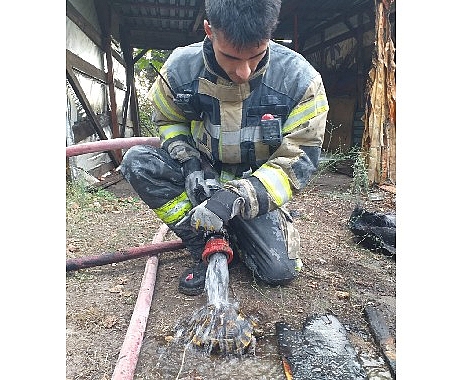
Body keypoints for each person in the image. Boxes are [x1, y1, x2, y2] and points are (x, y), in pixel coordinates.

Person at [119, 0, 329, 296]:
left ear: (271, 31)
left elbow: (295, 162)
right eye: (231, 57)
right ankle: (201, 242)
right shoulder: (180, 70)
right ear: (209, 30)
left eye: (256, 56)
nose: (243, 71)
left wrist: (236, 198)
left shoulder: (300, 82)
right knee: (137, 161)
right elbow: (169, 121)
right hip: (203, 174)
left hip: (255, 186)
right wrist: (189, 161)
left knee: (279, 270)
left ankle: (233, 230)